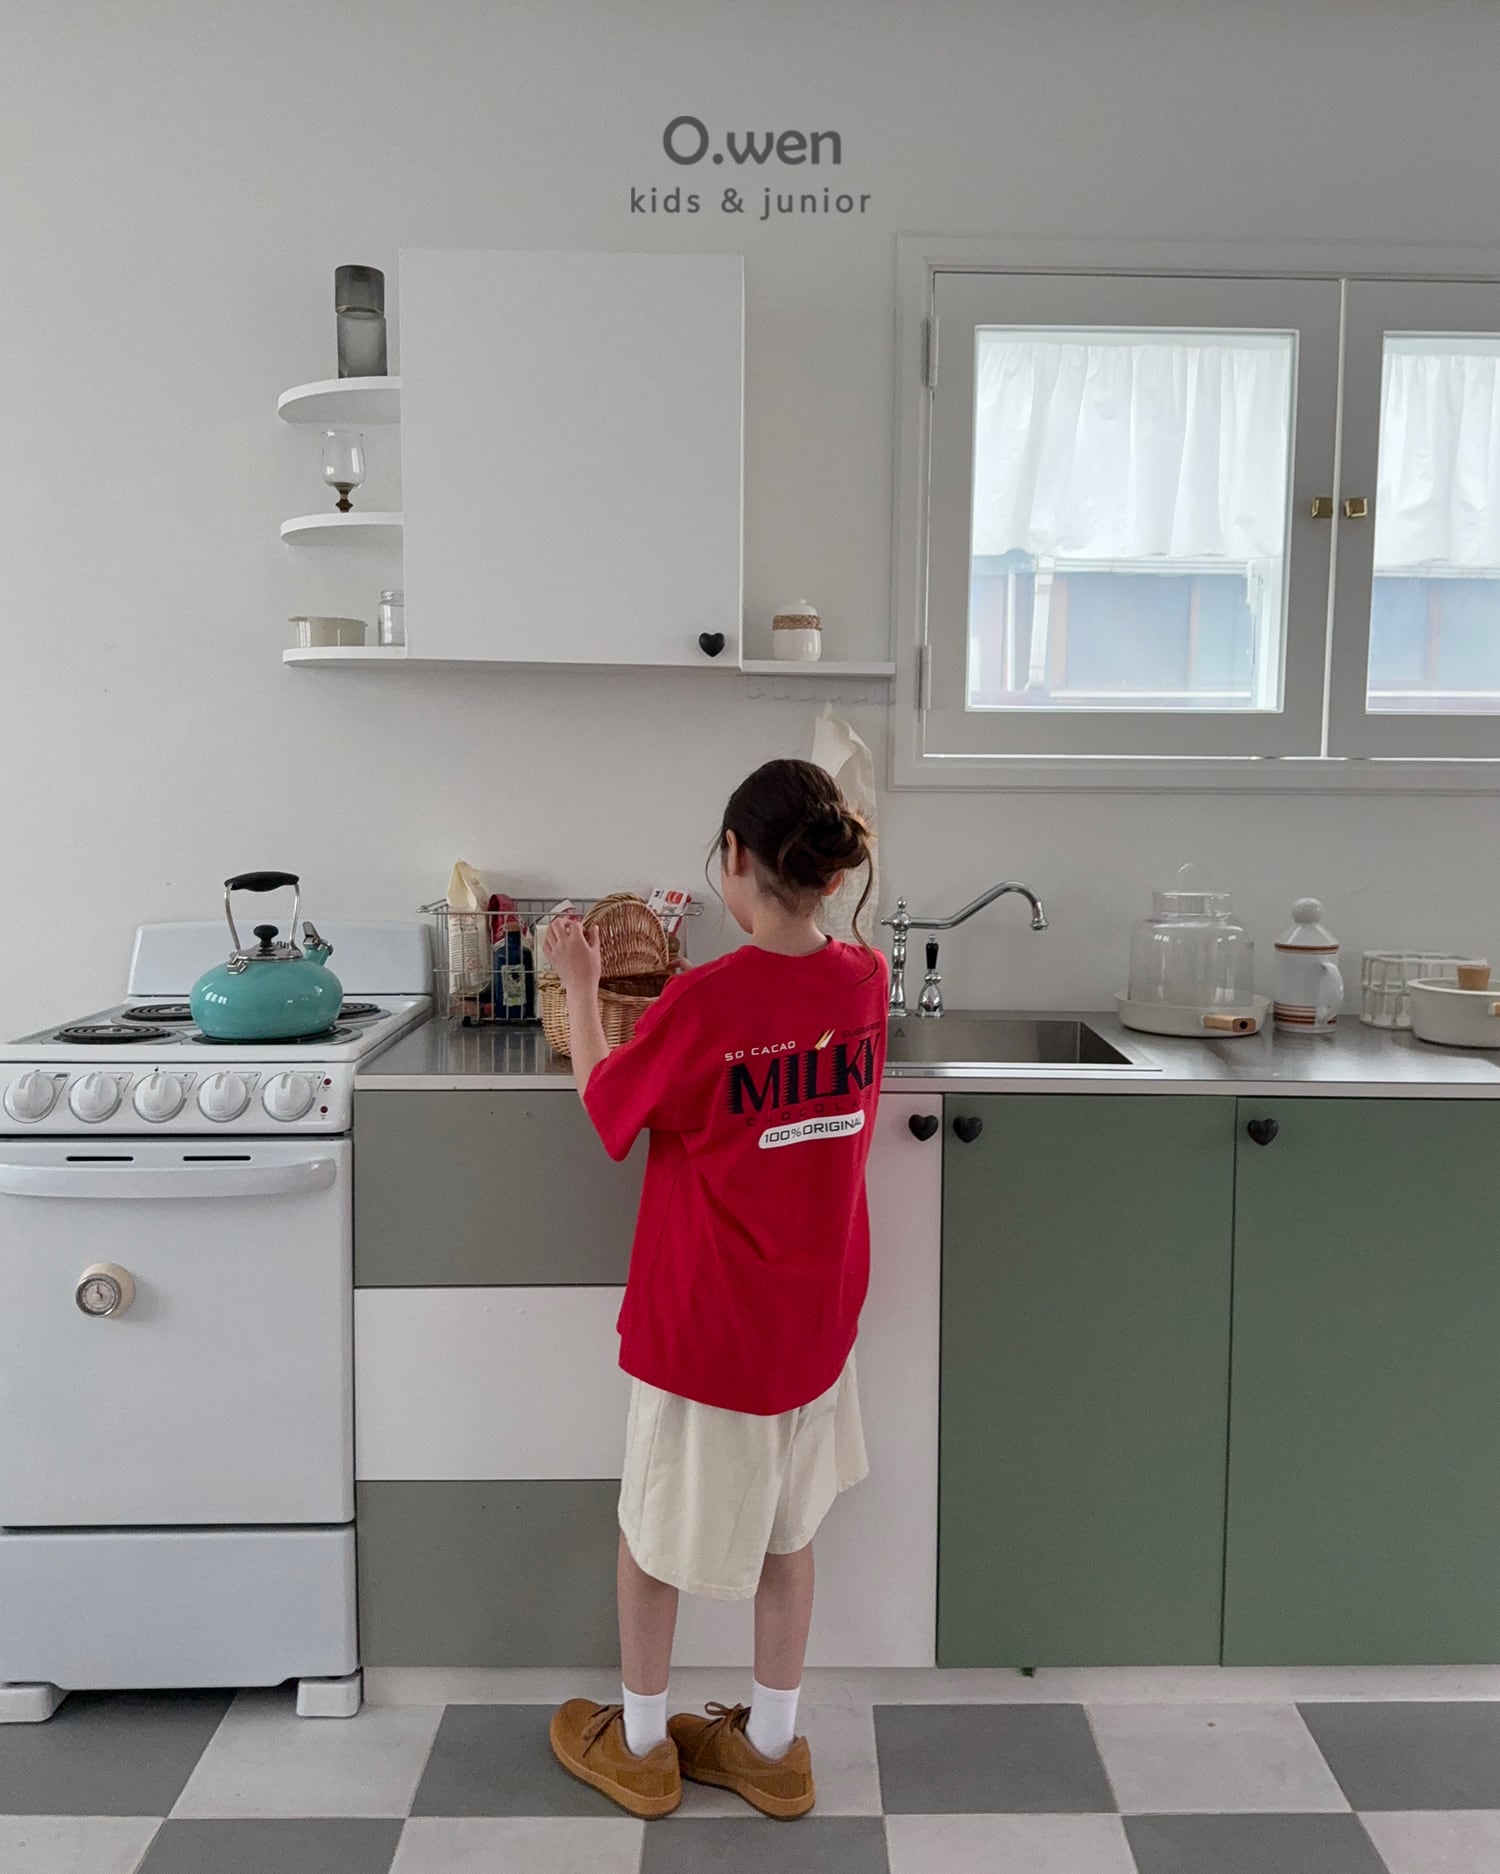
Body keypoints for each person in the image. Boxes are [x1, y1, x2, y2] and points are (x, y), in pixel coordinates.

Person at [542, 758, 888, 1821]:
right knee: (789, 1536)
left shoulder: (706, 1001)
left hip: (708, 1331)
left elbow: (608, 1105)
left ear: (734, 856)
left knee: (652, 1540)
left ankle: (644, 1745)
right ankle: (773, 1749)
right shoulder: (865, 979)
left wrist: (580, 984)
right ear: (831, 874)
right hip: (813, 1329)